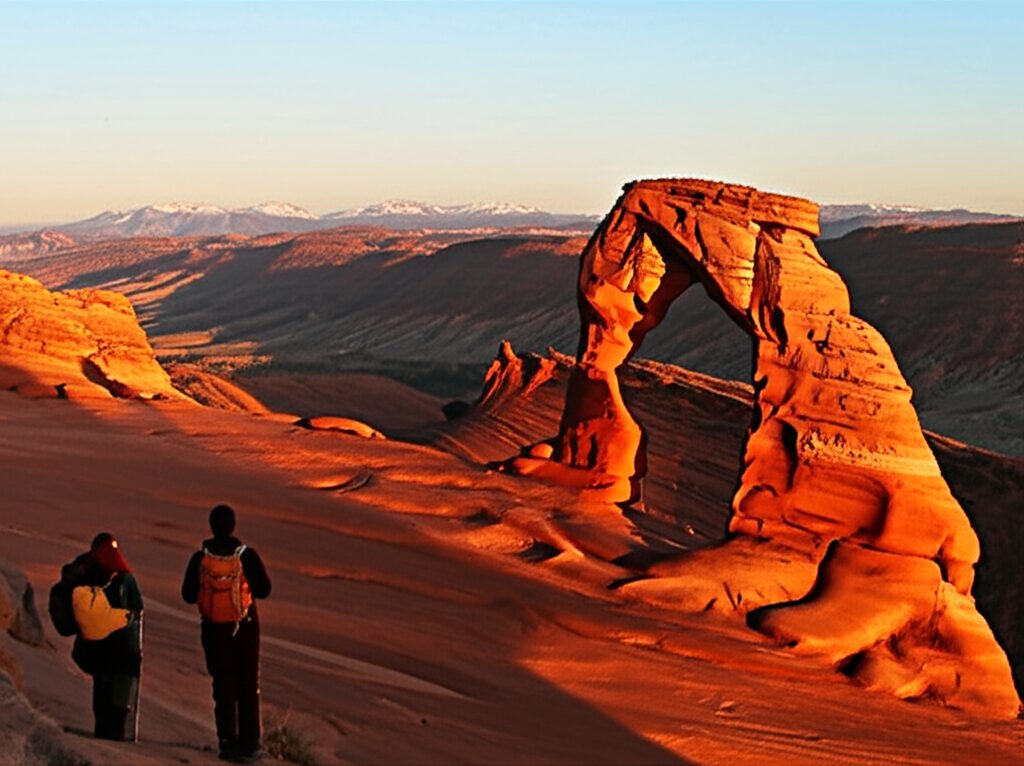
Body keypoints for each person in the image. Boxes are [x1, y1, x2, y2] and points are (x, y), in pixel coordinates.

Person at [181, 504, 271, 763]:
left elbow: (187, 595)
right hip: (245, 627)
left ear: (211, 526)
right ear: (232, 526)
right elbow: (264, 589)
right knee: (247, 685)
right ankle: (250, 745)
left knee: (223, 686)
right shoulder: (246, 556)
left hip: (213, 630)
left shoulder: (200, 558)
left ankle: (227, 743)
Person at [58, 533, 144, 741]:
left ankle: (103, 730)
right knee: (119, 693)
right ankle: (116, 735)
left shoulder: (85, 571)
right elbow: (137, 606)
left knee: (101, 688)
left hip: (94, 645)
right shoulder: (124, 576)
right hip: (120, 645)